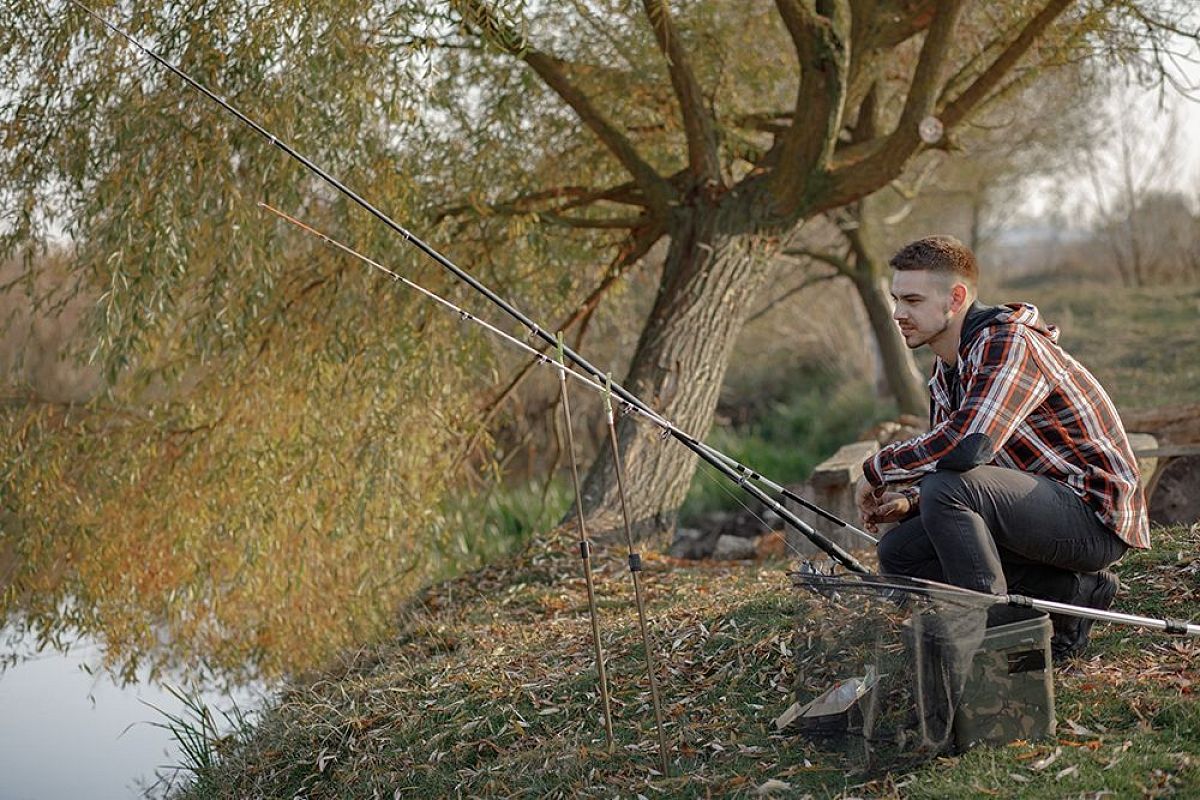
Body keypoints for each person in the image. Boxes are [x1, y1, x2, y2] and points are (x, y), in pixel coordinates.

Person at [854, 235, 1149, 662]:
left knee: (947, 489)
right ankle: (1076, 594)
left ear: (955, 298)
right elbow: (968, 464)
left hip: (1093, 518)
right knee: (900, 552)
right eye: (896, 299)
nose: (899, 313)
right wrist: (909, 501)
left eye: (913, 300)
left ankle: (990, 644)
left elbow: (967, 448)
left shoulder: (1008, 343)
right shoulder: (948, 368)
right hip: (1033, 509)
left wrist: (877, 469)